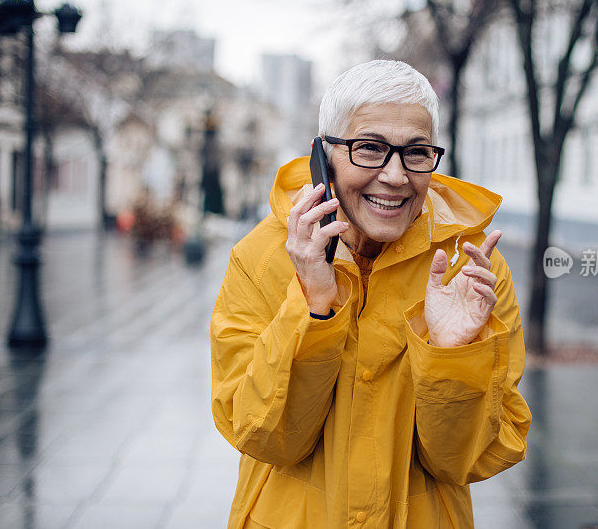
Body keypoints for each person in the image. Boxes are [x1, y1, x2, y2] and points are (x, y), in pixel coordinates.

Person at [210, 60, 531, 529]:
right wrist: (313, 307)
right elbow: (261, 435)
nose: (397, 176)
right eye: (370, 148)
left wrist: (451, 356)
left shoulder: (472, 267)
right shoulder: (262, 257)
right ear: (324, 156)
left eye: (417, 152)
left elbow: (469, 459)